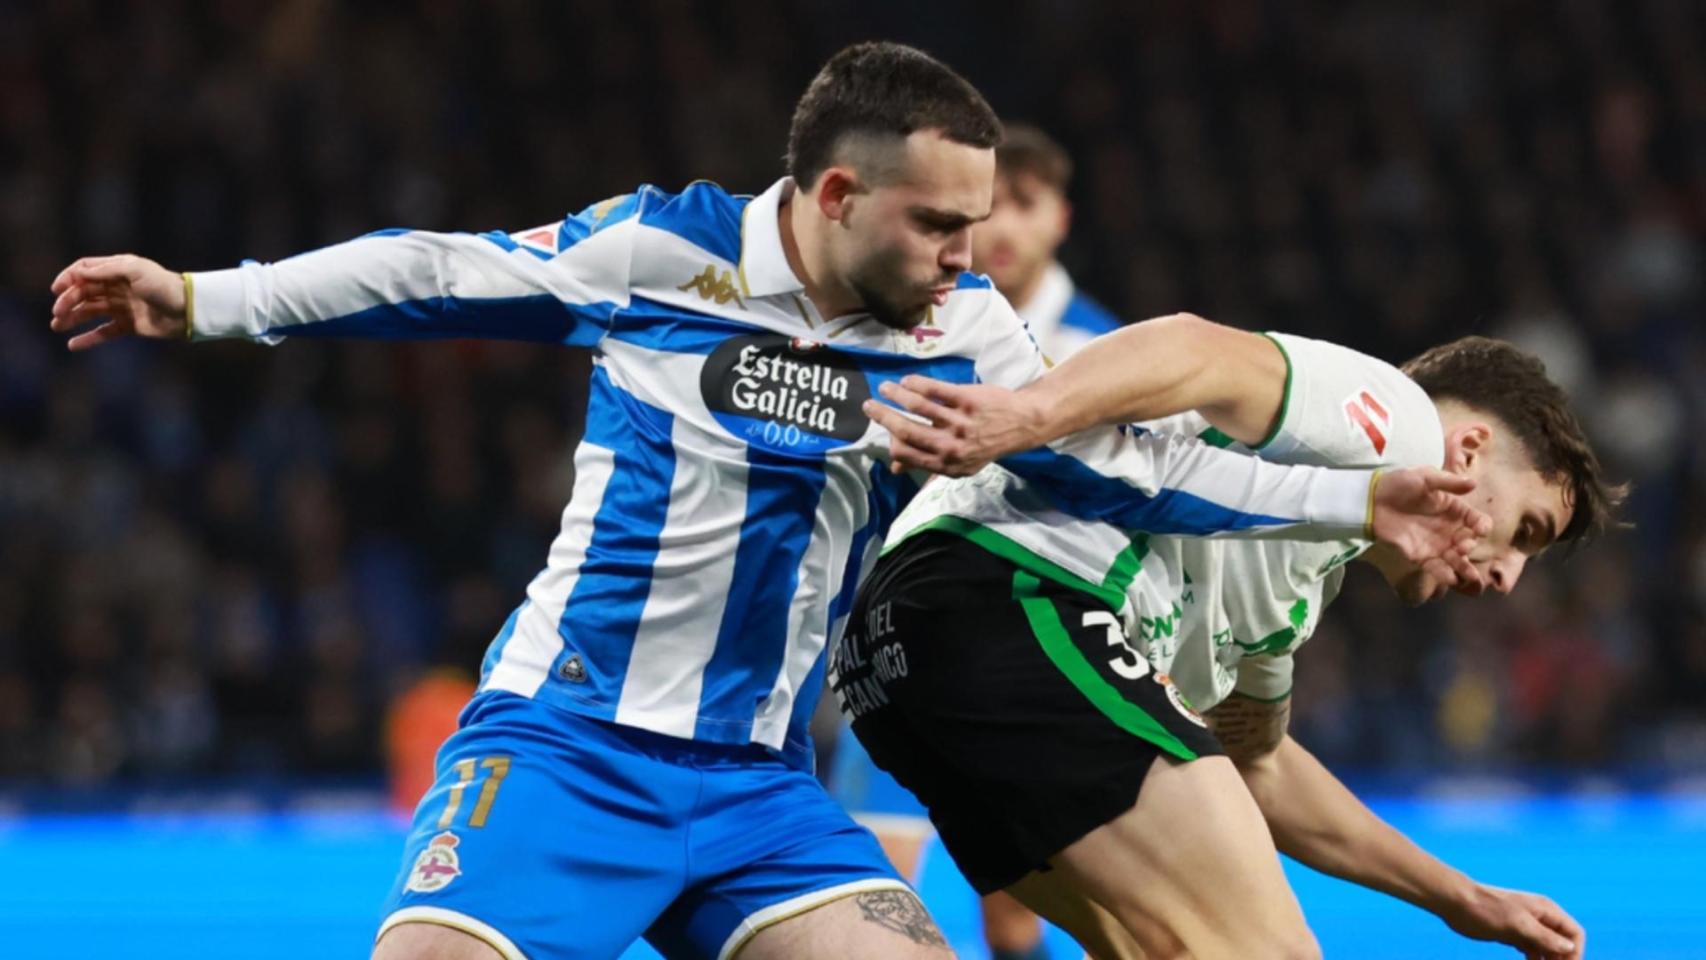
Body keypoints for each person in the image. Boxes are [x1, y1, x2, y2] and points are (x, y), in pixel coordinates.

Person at [49, 42, 1487, 960]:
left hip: (755, 793)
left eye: (976, 225)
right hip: (562, 748)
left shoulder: (961, 331)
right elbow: (435, 272)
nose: (962, 255)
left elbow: (1137, 471)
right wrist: (202, 299)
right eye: (935, 224)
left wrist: (1359, 505)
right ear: (837, 192)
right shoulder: (659, 256)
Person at [845, 325, 1619, 958]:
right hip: (1013, 591)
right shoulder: (1401, 420)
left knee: (1156, 949)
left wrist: (1463, 898)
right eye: (1524, 531)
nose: (1508, 577)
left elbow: (1260, 764)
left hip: (901, 656)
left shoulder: (1296, 587)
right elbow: (1197, 349)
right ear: (1471, 450)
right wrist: (1032, 414)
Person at [830, 122, 1118, 960]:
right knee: (878, 888)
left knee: (1022, 911)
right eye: (992, 207)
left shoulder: (1101, 351)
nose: (1003, 228)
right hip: (892, 634)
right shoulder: (910, 320)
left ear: (1060, 218)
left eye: (1026, 205)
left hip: (1033, 650)